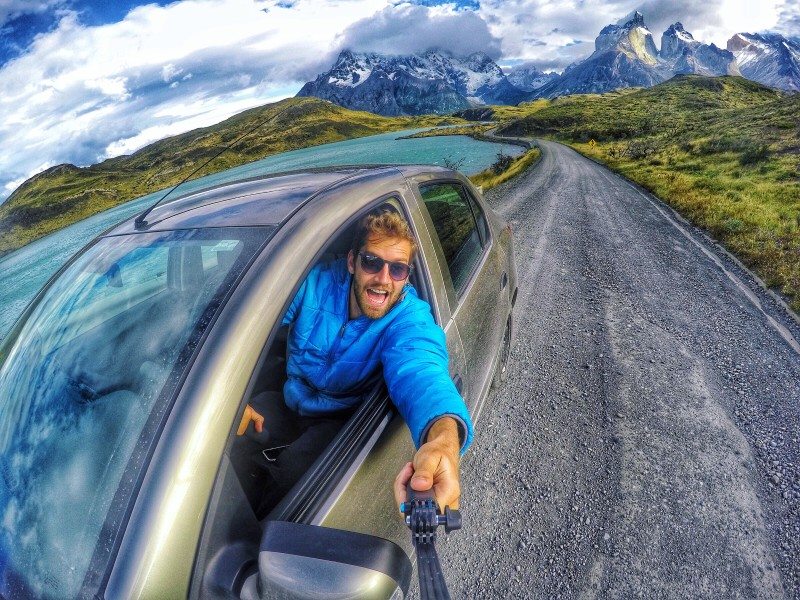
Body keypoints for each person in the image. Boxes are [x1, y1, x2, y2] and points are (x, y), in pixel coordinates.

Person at [238, 209, 473, 516]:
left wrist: (443, 442)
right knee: (230, 440)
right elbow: (253, 329)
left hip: (338, 419)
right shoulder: (314, 284)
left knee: (289, 482)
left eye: (398, 269)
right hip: (288, 398)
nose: (383, 279)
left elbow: (421, 369)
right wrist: (228, 403)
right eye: (372, 262)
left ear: (406, 275)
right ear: (352, 262)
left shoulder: (408, 317)